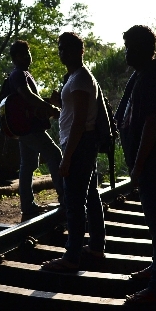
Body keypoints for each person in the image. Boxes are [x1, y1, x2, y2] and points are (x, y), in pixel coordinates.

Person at [117, 25, 156, 305]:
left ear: (143, 49)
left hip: (154, 161)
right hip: (149, 161)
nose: (126, 51)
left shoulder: (152, 77)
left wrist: (138, 166)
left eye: (130, 46)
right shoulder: (143, 75)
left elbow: (152, 123)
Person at [41, 32, 106, 271]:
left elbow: (79, 121)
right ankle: (96, 248)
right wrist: (60, 103)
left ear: (80, 51)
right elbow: (76, 111)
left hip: (78, 144)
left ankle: (71, 256)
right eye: (60, 48)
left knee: (74, 201)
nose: (62, 52)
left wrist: (66, 157)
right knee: (89, 196)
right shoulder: (76, 78)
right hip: (82, 143)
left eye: (67, 48)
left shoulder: (79, 78)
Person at [1, 39, 64, 221]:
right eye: (23, 54)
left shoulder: (23, 74)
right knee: (54, 155)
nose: (27, 57)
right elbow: (26, 95)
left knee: (28, 166)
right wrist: (50, 108)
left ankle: (27, 206)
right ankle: (64, 196)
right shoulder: (19, 75)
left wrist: (47, 101)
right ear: (15, 58)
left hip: (25, 127)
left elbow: (27, 102)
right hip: (29, 129)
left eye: (28, 53)